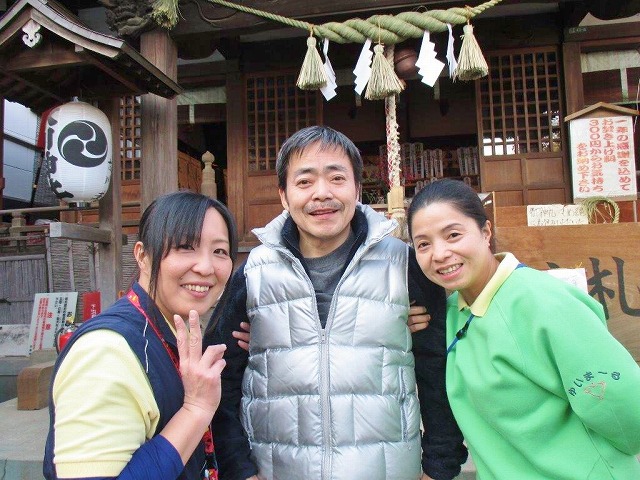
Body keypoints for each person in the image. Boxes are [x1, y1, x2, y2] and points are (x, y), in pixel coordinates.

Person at [206, 126, 467, 480]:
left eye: (336, 178)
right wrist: (239, 468)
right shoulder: (255, 270)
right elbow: (223, 376)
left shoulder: (403, 265)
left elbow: (439, 371)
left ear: (357, 189)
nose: (322, 194)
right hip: (277, 469)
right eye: (304, 182)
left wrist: (439, 467)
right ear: (283, 195)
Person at [407, 178, 640, 479]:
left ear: (486, 232)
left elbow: (625, 410)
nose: (439, 254)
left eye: (452, 235)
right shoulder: (452, 314)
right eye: (423, 244)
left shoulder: (542, 301)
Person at [44, 191, 239, 480]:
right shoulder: (105, 352)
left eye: (220, 251)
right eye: (186, 246)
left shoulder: (173, 330)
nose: (206, 267)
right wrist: (196, 410)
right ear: (143, 257)